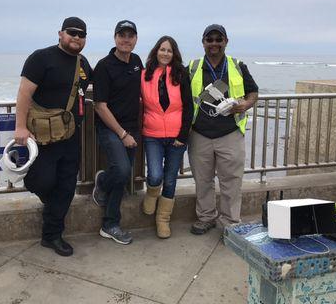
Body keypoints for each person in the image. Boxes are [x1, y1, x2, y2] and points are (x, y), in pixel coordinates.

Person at [14, 16, 92, 256]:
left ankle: (52, 236)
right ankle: (52, 209)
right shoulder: (40, 58)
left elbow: (87, 92)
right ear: (60, 34)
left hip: (71, 136)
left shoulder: (83, 64)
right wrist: (20, 127)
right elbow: (24, 93)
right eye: (72, 32)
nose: (76, 37)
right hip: (43, 137)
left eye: (81, 34)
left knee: (67, 187)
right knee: (42, 181)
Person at [188, 24, 258, 234]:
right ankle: (206, 217)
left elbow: (253, 92)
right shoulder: (192, 67)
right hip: (199, 134)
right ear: (203, 43)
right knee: (203, 181)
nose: (214, 44)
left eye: (219, 39)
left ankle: (230, 223)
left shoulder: (237, 66)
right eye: (210, 40)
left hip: (230, 133)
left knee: (232, 182)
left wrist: (244, 105)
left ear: (226, 41)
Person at [91, 20, 143, 245]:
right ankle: (102, 182)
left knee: (122, 175)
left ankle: (110, 224)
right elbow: (100, 105)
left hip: (132, 127)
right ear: (114, 38)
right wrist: (122, 134)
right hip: (110, 128)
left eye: (130, 35)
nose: (126, 39)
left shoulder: (137, 62)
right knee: (121, 170)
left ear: (136, 39)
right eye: (122, 35)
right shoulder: (104, 66)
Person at [140, 36, 193, 238]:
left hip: (176, 136)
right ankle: (152, 192)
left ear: (174, 54)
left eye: (169, 50)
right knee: (154, 175)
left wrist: (183, 136)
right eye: (162, 49)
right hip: (152, 134)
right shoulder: (145, 75)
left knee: (170, 181)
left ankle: (163, 220)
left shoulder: (181, 74)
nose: (165, 53)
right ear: (156, 51)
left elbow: (189, 107)